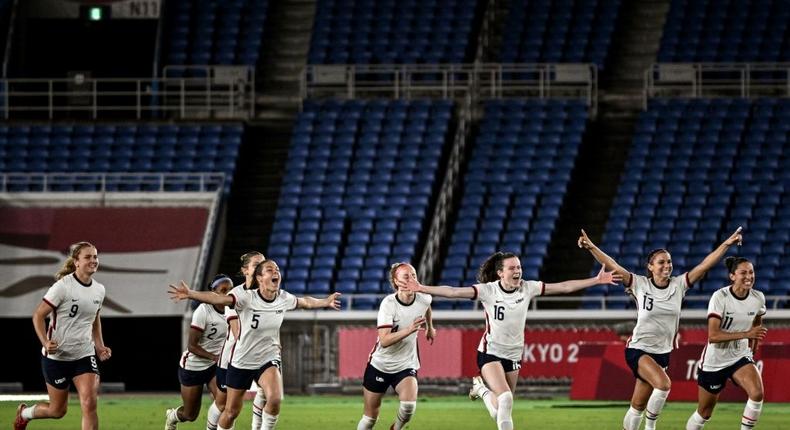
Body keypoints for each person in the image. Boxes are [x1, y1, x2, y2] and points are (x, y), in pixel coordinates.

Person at [401, 251, 620, 430]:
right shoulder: (488, 291)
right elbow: (453, 291)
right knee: (505, 399)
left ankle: (482, 390)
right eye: (512, 268)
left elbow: (563, 287)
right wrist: (422, 288)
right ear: (500, 273)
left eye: (519, 267)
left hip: (513, 354)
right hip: (490, 353)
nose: (518, 271)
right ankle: (484, 388)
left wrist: (596, 280)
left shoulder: (528, 287)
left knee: (501, 410)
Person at [577, 227, 743, 430]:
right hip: (639, 349)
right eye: (661, 262)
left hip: (663, 353)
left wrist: (726, 244)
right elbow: (611, 264)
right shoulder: (639, 284)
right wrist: (591, 246)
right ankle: (651, 427)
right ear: (650, 267)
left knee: (637, 405)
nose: (667, 265)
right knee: (664, 385)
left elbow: (704, 265)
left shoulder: (679, 285)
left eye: (669, 261)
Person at [168, 260, 341, 430]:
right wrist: (191, 293)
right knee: (231, 412)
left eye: (277, 270)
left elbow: (305, 302)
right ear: (259, 278)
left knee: (274, 398)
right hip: (242, 360)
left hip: (267, 358)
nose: (275, 272)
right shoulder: (245, 298)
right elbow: (218, 298)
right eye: (269, 270)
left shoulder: (283, 297)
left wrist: (326, 301)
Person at [14, 241, 112, 430]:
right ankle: (25, 413)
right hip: (57, 358)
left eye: (95, 256)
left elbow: (94, 318)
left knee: (89, 404)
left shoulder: (99, 289)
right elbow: (38, 315)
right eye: (88, 257)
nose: (93, 260)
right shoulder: (62, 287)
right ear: (76, 261)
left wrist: (99, 346)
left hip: (84, 354)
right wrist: (45, 341)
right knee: (57, 411)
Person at [685, 256, 768, 430]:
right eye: (743, 273)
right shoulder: (720, 297)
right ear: (732, 276)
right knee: (704, 412)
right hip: (715, 360)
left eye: (751, 272)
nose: (749, 276)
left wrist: (753, 341)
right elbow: (713, 336)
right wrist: (747, 333)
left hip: (740, 356)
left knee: (757, 393)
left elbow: (757, 319)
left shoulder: (758, 297)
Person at [356, 262, 436, 430]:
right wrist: (409, 330)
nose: (412, 279)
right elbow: (384, 341)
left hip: (406, 364)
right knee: (369, 419)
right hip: (380, 365)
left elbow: (427, 306)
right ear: (396, 282)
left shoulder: (424, 297)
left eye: (413, 275)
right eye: (406, 277)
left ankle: (396, 428)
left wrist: (429, 327)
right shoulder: (388, 304)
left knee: (408, 407)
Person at [205, 251, 267, 430]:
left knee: (270, 393)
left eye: (263, 264)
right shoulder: (235, 295)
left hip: (257, 355)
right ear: (245, 270)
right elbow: (238, 332)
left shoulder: (269, 294)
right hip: (233, 358)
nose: (260, 268)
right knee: (226, 406)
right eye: (256, 265)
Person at [165, 274, 233, 429]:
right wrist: (214, 356)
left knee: (225, 404)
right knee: (190, 415)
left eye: (230, 289)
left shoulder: (232, 310)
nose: (228, 293)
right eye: (223, 290)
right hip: (193, 366)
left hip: (215, 366)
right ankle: (172, 416)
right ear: (213, 292)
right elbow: (192, 346)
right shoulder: (203, 311)